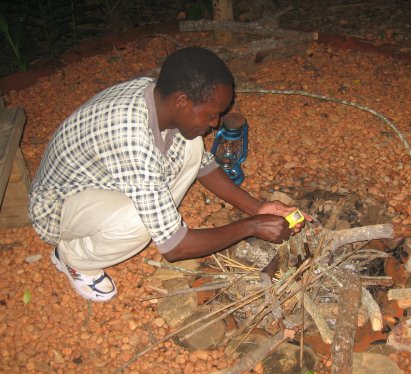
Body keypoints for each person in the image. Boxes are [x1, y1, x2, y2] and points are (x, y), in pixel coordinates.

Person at [29, 46, 308, 302]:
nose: (215, 124)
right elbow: (175, 249)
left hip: (102, 179)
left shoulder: (159, 98)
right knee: (137, 224)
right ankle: (71, 257)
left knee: (193, 143)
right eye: (212, 114)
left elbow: (202, 163)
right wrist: (252, 226)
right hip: (58, 206)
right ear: (182, 102)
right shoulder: (134, 138)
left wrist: (258, 208)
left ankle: (156, 214)